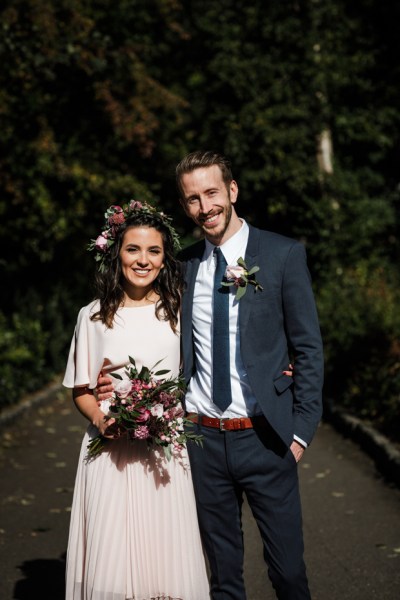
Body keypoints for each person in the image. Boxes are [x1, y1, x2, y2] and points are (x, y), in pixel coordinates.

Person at [98, 151, 324, 600]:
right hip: (201, 441)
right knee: (221, 579)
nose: (205, 207)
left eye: (212, 193)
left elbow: (309, 348)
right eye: (193, 199)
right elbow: (143, 318)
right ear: (185, 207)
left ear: (232, 191)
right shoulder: (182, 267)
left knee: (289, 574)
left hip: (266, 437)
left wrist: (300, 433)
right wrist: (111, 377)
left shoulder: (282, 255)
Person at [63, 201, 210, 600]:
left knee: (165, 565)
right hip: (111, 451)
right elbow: (81, 389)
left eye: (153, 251)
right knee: (114, 565)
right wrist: (99, 417)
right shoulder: (92, 316)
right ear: (117, 254)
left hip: (166, 452)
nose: (142, 260)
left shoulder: (178, 311)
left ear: (165, 259)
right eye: (133, 249)